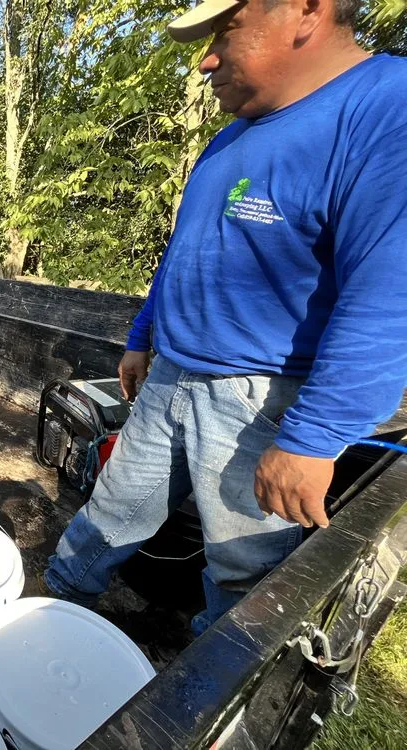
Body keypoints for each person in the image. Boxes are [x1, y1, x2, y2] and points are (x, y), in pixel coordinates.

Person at [41, 0, 407, 635]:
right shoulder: (231, 135)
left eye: (225, 33)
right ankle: (52, 606)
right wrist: (142, 337)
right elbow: (187, 247)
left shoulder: (385, 109)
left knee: (245, 572)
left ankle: (210, 703)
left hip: (262, 398)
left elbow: (389, 292)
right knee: (113, 508)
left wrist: (312, 439)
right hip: (171, 373)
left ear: (306, 11)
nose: (207, 59)